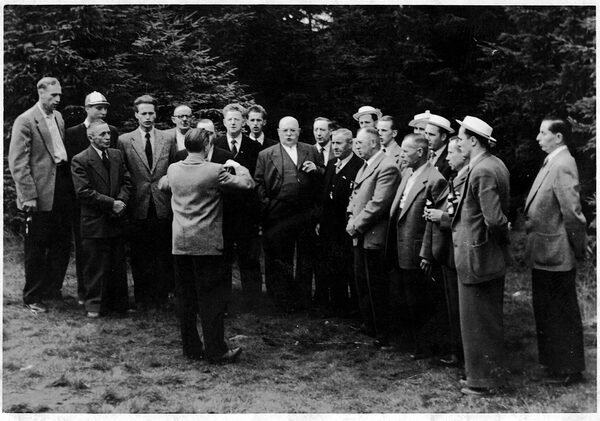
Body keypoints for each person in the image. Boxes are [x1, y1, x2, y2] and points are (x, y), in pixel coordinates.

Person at [165, 128, 253, 363]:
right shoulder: (214, 170)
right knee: (211, 300)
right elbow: (247, 184)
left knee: (186, 299)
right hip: (207, 245)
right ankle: (216, 350)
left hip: (180, 244)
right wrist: (237, 165)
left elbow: (164, 185)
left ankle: (191, 349)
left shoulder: (174, 169)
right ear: (206, 147)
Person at [524, 116, 587, 386]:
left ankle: (569, 369)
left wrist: (578, 249)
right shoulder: (553, 161)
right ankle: (554, 364)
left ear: (558, 137)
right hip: (545, 250)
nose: (538, 138)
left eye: (543, 133)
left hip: (557, 251)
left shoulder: (563, 164)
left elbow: (572, 214)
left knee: (561, 311)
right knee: (547, 310)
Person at [453, 115, 512, 396]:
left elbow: (495, 220)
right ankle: (482, 376)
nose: (459, 143)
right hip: (483, 254)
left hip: (479, 256)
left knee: (479, 320)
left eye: (462, 138)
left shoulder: (482, 170)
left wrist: (497, 244)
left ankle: (483, 381)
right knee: (481, 318)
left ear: (473, 141)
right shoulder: (492, 164)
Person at [8, 77, 72, 313]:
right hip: (39, 192)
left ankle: (51, 290)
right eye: (53, 95)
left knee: (61, 243)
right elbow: (18, 163)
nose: (57, 100)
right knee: (36, 245)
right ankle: (32, 296)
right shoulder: (25, 121)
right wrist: (28, 195)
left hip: (62, 187)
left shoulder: (58, 117)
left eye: (59, 96)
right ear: (40, 93)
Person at [386, 133, 447, 358]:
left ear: (420, 152)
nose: (401, 154)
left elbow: (436, 222)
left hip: (416, 250)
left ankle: (423, 346)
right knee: (403, 297)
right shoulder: (408, 173)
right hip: (399, 246)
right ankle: (407, 342)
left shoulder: (435, 178)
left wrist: (428, 253)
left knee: (419, 300)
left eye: (406, 150)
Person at [254, 116, 322, 312]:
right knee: (279, 257)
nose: (289, 134)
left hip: (305, 213)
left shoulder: (310, 150)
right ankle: (281, 300)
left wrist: (316, 170)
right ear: (278, 132)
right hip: (278, 213)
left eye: (293, 130)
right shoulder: (266, 154)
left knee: (304, 257)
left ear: (299, 131)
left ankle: (302, 299)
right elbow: (258, 184)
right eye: (286, 130)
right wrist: (268, 206)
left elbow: (322, 180)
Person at [118, 95, 177, 310]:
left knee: (162, 250)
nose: (148, 117)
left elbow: (173, 167)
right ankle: (143, 296)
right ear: (136, 115)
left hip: (162, 202)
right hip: (138, 203)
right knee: (139, 252)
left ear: (156, 114)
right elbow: (123, 171)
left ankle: (161, 296)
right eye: (143, 113)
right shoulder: (125, 140)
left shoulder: (167, 139)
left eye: (151, 113)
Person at [70, 120, 132, 318]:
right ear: (91, 137)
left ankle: (120, 304)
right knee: (96, 265)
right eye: (103, 134)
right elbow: (83, 192)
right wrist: (110, 203)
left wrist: (120, 201)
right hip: (95, 220)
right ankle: (95, 306)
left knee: (117, 264)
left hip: (116, 218)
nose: (108, 137)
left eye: (108, 133)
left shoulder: (116, 155)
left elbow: (127, 182)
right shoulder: (80, 160)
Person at [346, 127, 400, 348]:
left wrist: (356, 225)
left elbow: (378, 204)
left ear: (374, 143)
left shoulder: (387, 166)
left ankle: (383, 331)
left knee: (377, 286)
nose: (357, 146)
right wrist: (350, 216)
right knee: (363, 283)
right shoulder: (365, 165)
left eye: (360, 142)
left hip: (373, 236)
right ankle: (370, 325)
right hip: (360, 234)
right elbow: (355, 195)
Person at [65, 91, 120, 304]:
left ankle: (110, 296)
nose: (103, 112)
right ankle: (85, 292)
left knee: (110, 250)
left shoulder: (111, 131)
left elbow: (113, 164)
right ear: (87, 108)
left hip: (110, 199)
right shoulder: (73, 133)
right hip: (84, 200)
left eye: (105, 108)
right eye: (99, 108)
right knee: (85, 249)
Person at [421, 137, 468, 367]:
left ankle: (461, 354)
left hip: (457, 248)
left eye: (451, 153)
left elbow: (464, 216)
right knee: (452, 305)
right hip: (447, 250)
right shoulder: (454, 178)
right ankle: (457, 351)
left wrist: (443, 218)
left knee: (460, 306)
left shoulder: (465, 179)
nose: (447, 158)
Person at [214, 103, 263, 308]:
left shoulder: (255, 148)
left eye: (237, 119)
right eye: (229, 119)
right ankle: (224, 301)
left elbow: (258, 179)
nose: (233, 122)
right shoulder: (215, 145)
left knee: (249, 256)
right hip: (222, 209)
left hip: (247, 210)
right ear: (224, 122)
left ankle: (253, 300)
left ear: (244, 122)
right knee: (223, 257)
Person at [314, 128, 363, 315]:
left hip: (346, 224)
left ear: (350, 144)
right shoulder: (332, 163)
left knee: (346, 266)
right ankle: (335, 304)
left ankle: (351, 307)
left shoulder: (359, 166)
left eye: (339, 143)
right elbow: (325, 193)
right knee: (330, 264)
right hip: (329, 224)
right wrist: (320, 220)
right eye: (333, 143)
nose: (335, 147)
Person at [424, 114, 454, 180]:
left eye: (431, 135)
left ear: (443, 137)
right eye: (425, 133)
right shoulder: (424, 153)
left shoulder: (450, 159)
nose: (426, 138)